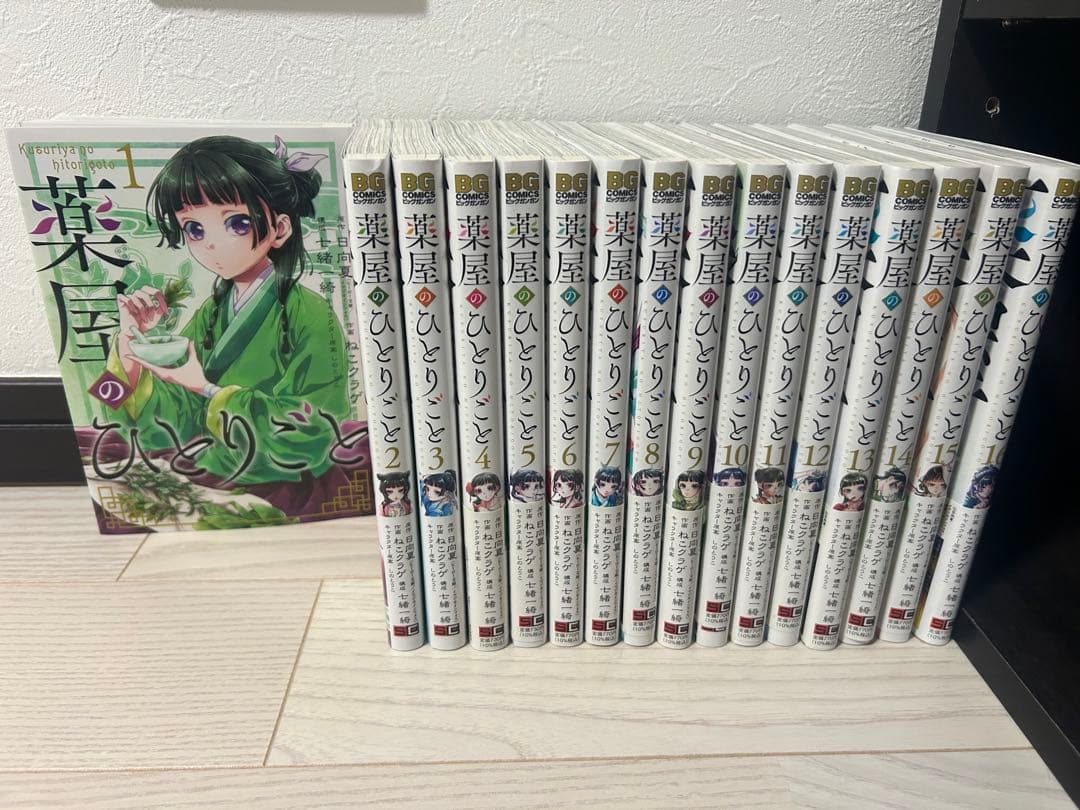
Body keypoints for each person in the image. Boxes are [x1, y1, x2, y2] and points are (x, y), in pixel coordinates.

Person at [108, 134, 351, 514]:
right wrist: (132, 341)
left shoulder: (311, 314)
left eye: (237, 223)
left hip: (286, 482)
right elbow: (176, 415)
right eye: (194, 229)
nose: (210, 244)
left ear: (280, 229)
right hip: (217, 466)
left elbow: (315, 431)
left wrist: (206, 389)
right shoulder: (212, 311)